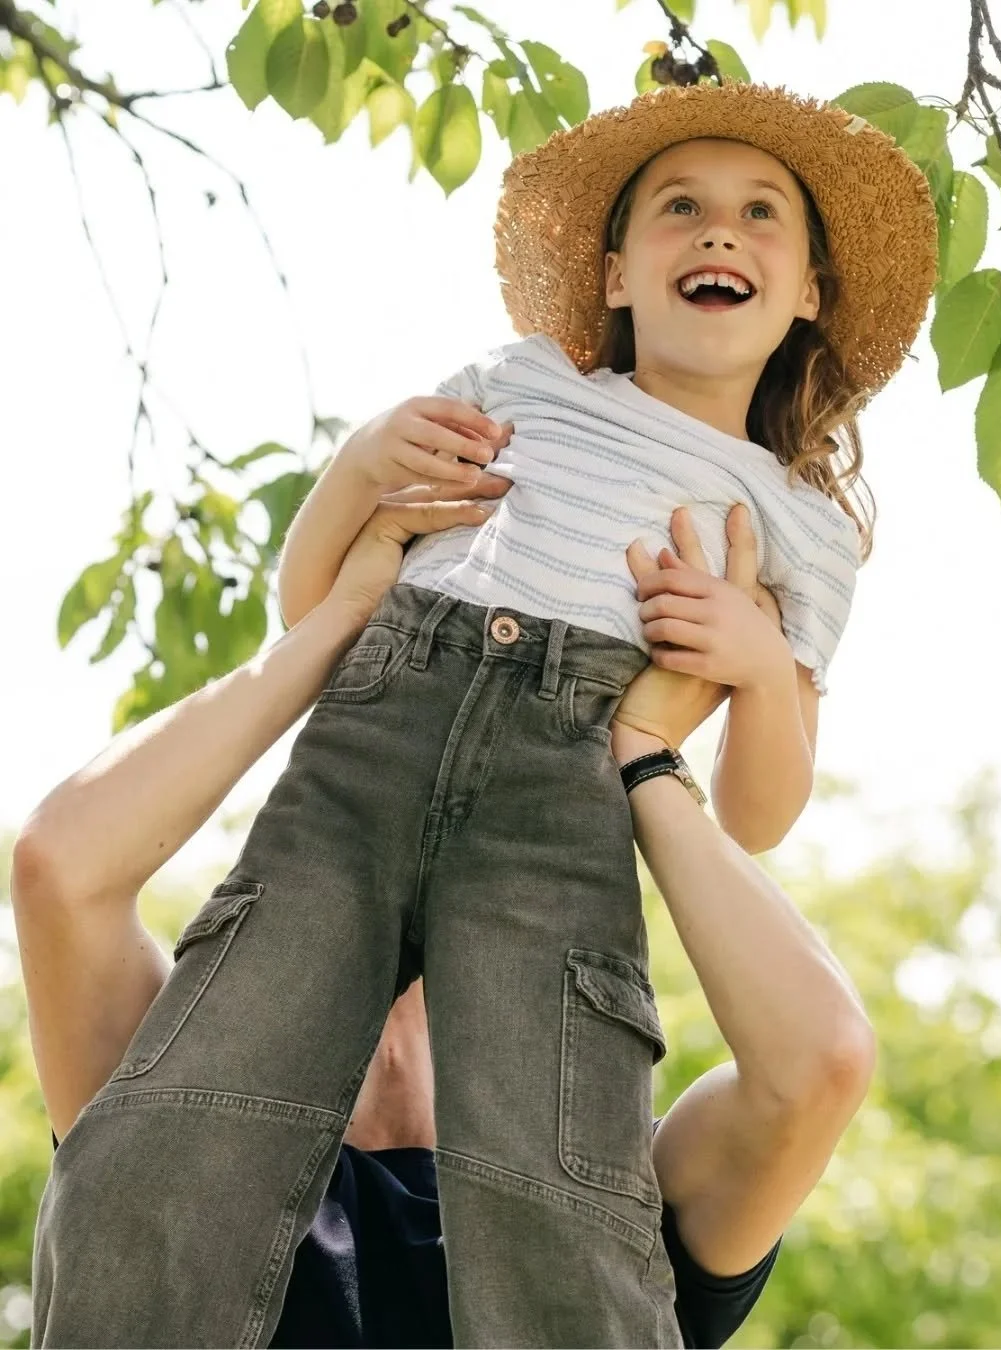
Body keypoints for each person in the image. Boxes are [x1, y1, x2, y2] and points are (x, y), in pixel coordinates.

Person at [30, 80, 936, 1348]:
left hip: (560, 786)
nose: (718, 233)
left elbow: (761, 813)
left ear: (809, 298)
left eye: (758, 215)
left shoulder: (798, 527)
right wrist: (359, 467)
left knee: (559, 1201)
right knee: (180, 1129)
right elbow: (320, 604)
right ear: (615, 274)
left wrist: (731, 687)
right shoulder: (523, 382)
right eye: (679, 208)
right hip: (385, 710)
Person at [14, 489, 876, 1348]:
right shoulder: (186, 1117)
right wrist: (342, 632)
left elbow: (819, 1065)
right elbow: (60, 869)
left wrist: (643, 754)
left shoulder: (605, 1193)